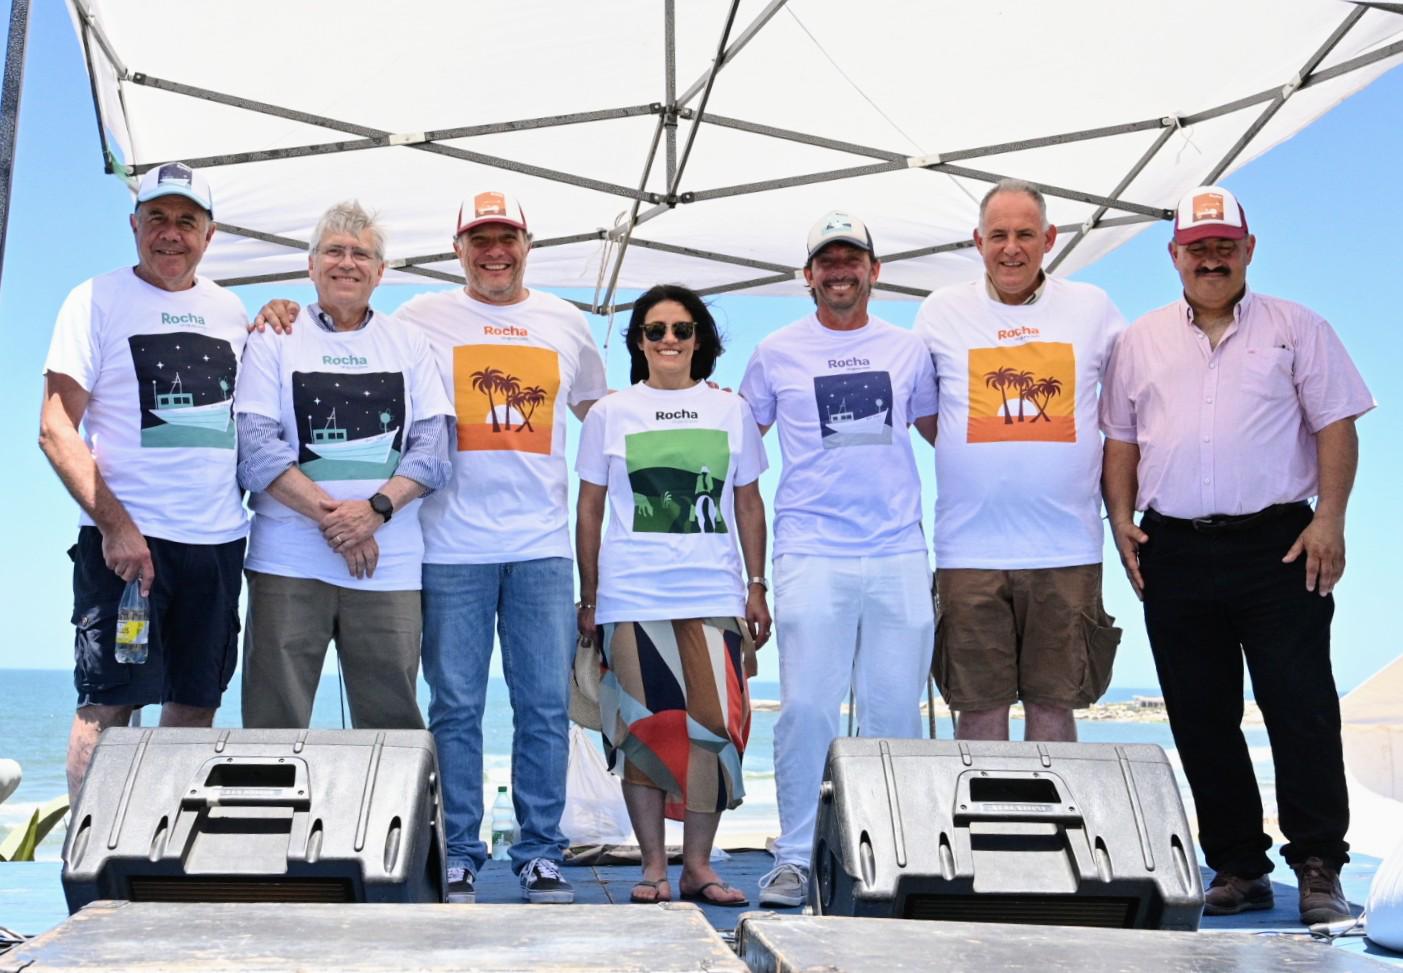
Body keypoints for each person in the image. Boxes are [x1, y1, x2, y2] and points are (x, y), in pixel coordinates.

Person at [253, 190, 606, 904]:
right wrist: (275, 307)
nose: (494, 251)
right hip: (447, 548)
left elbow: (601, 416)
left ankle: (541, 852)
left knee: (542, 706)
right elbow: (309, 380)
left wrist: (681, 395)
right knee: (453, 707)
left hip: (539, 546)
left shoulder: (566, 322)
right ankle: (459, 848)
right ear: (458, 250)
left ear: (526, 244)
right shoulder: (417, 319)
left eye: (506, 237)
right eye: (480, 239)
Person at [1101, 185, 1374, 926]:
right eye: (1198, 247)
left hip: (1279, 544)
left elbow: (1335, 425)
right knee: (1198, 711)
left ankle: (1318, 863)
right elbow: (1120, 440)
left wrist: (1331, 520)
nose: (1211, 257)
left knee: (1300, 706)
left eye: (1224, 244)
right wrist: (1118, 519)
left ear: (1248, 249)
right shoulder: (1139, 340)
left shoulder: (1297, 327)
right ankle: (1237, 865)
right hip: (1174, 547)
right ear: (1174, 256)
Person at [738, 211, 937, 908]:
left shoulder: (910, 349)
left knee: (892, 714)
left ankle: (888, 857)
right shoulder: (773, 350)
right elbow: (736, 450)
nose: (840, 270)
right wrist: (747, 575)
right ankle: (794, 856)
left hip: (897, 552)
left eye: (852, 258)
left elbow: (951, 437)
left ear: (874, 271)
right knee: (807, 709)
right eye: (827, 260)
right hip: (810, 551)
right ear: (808, 275)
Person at [39, 163, 248, 804]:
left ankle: (162, 856)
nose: (170, 234)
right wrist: (117, 527)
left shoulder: (230, 309)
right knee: (108, 705)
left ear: (209, 236)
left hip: (216, 544)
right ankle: (92, 861)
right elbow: (55, 428)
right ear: (134, 225)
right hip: (127, 550)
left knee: (194, 704)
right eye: (156, 218)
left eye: (187, 221)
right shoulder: (94, 298)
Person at [575, 284, 771, 906]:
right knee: (643, 729)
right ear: (638, 341)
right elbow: (590, 509)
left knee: (715, 730)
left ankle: (699, 867)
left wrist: (757, 587)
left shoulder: (731, 410)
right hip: (631, 598)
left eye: (681, 330)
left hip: (714, 593)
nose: (668, 340)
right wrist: (589, 594)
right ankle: (654, 870)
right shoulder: (610, 412)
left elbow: (747, 501)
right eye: (655, 330)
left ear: (699, 340)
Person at [914, 179, 1124, 743]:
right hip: (969, 550)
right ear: (977, 241)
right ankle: (986, 835)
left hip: (1067, 547)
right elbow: (927, 411)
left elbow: (1129, 405)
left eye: (1026, 234)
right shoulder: (941, 311)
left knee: (1055, 710)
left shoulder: (1093, 308)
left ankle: (1049, 834)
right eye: (999, 235)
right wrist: (981, 452)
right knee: (978, 711)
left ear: (1050, 239)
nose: (1012, 248)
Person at [235, 201, 453, 730]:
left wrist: (374, 512)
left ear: (381, 273)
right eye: (333, 250)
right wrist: (341, 520)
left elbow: (433, 449)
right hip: (287, 564)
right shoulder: (274, 336)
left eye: (362, 254)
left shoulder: (409, 342)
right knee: (272, 725)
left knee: (393, 729)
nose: (347, 263)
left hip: (389, 569)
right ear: (311, 265)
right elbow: (256, 446)